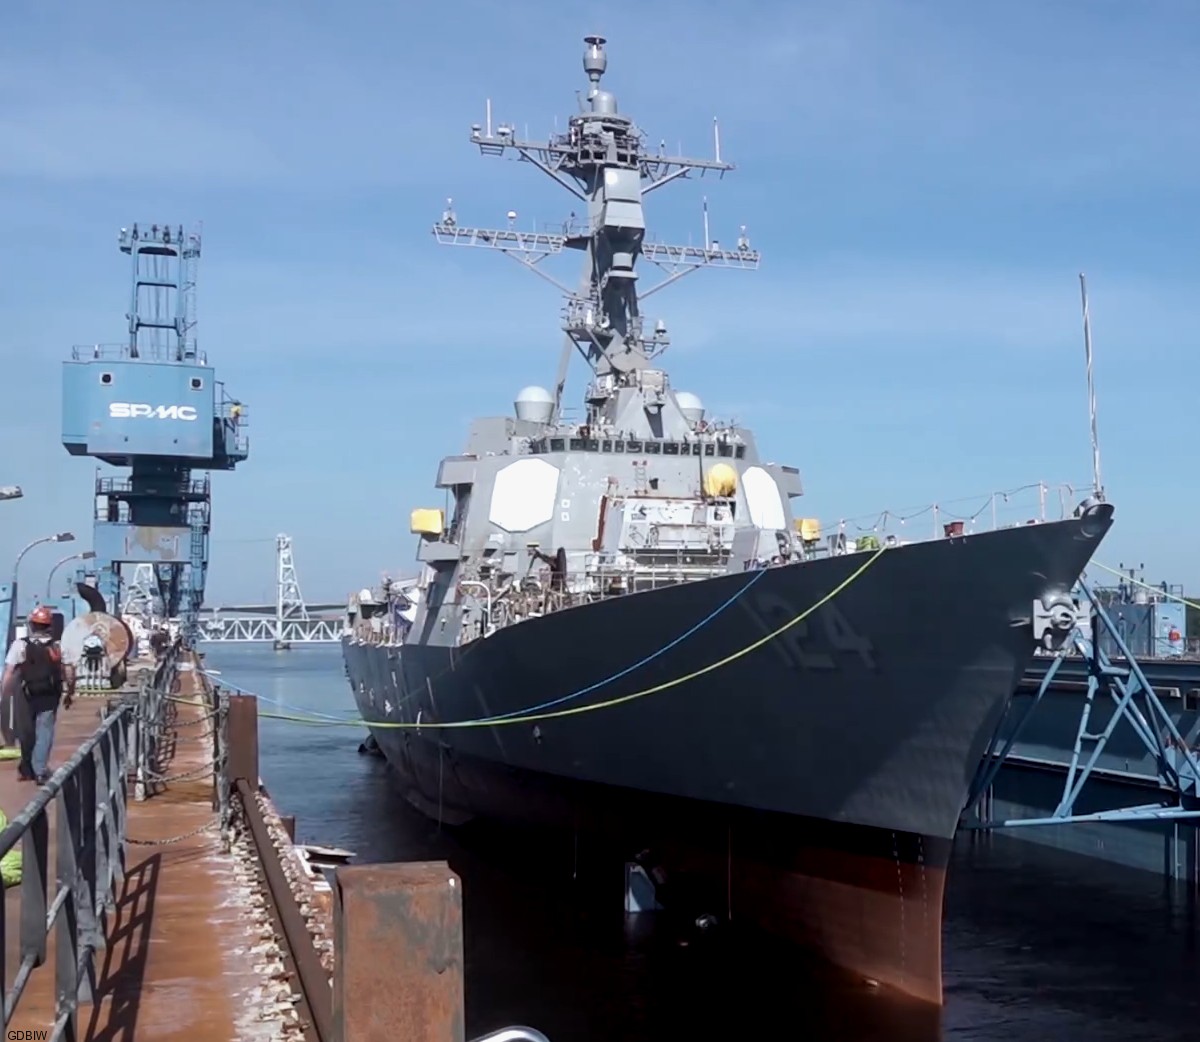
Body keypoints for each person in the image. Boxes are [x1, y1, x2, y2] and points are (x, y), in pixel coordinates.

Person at [0, 605, 75, 783]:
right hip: (50, 694)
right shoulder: (57, 646)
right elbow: (69, 671)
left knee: (25, 732)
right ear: (49, 626)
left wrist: (4, 694)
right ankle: (40, 770)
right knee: (45, 731)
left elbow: (9, 671)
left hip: (25, 695)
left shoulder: (20, 645)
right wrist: (70, 692)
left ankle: (26, 768)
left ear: (31, 625)